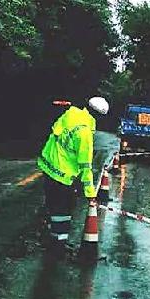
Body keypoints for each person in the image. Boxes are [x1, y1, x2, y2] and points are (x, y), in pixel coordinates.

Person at [37, 96, 109, 258]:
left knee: (54, 205)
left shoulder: (71, 114)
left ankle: (53, 236)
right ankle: (58, 245)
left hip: (48, 165)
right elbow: (85, 166)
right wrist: (91, 193)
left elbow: (56, 131)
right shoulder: (84, 133)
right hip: (62, 174)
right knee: (64, 209)